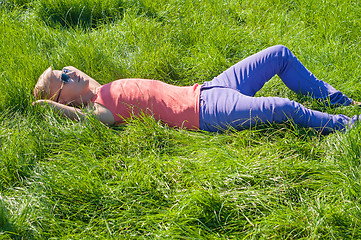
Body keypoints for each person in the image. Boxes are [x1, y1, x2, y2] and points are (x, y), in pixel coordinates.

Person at [33, 45, 361, 134]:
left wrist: (64, 81)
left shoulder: (99, 89)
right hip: (206, 112)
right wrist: (50, 108)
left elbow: (79, 79)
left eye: (64, 69)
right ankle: (349, 125)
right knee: (283, 107)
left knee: (279, 54)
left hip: (209, 87)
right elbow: (90, 122)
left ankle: (341, 102)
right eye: (60, 80)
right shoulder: (97, 110)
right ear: (64, 100)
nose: (68, 72)